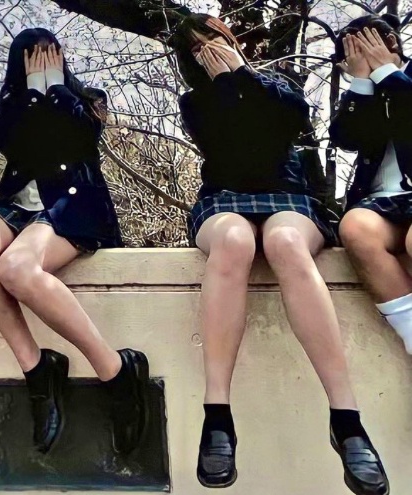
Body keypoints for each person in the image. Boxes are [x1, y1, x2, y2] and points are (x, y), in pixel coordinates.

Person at [171, 13, 389, 494]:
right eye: (196, 49)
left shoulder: (278, 84)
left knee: (286, 243)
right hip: (224, 199)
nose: (207, 51)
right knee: (234, 241)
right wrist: (225, 84)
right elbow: (228, 149)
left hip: (290, 198)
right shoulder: (196, 102)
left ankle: (347, 420)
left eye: (211, 39)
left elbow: (287, 124)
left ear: (229, 37)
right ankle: (217, 415)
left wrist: (242, 76)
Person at [0, 28, 149, 456]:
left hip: (72, 206)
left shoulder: (88, 100)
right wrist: (32, 92)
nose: (42, 62)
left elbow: (81, 136)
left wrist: (55, 88)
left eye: (50, 55)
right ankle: (37, 369)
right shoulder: (10, 110)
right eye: (32, 57)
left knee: (16, 269)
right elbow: (10, 141)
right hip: (15, 208)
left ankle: (116, 371)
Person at [333, 14, 412, 361]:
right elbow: (345, 138)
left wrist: (387, 73)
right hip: (382, 202)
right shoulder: (364, 92)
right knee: (354, 227)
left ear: (390, 42)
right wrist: (362, 84)